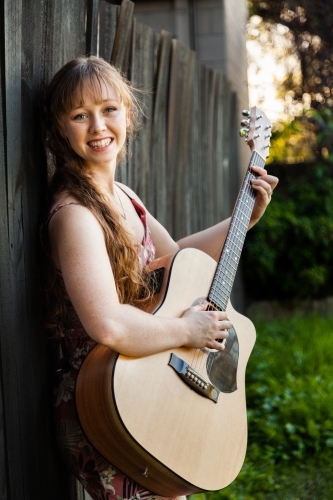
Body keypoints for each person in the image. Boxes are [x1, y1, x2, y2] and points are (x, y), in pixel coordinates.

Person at [41, 56, 278, 500]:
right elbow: (108, 324)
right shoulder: (75, 215)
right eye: (79, 115)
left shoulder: (123, 198)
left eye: (109, 109)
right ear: (61, 128)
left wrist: (243, 219)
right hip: (106, 397)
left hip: (145, 378)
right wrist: (187, 329)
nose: (98, 126)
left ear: (128, 114)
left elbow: (175, 260)